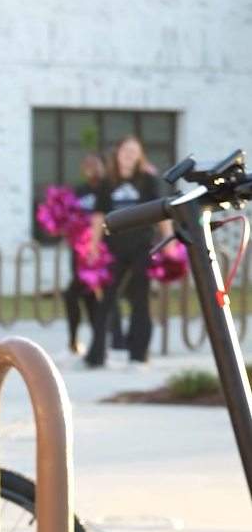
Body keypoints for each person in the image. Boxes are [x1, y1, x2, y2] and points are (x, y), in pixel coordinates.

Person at [89, 135, 167, 369]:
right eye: (125, 150)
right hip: (114, 249)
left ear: (139, 155)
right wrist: (93, 245)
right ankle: (96, 355)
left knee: (139, 300)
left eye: (134, 151)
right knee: (105, 303)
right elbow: (98, 216)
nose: (129, 154)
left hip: (142, 247)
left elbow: (163, 211)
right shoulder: (107, 182)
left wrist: (169, 242)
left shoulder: (148, 180)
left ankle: (138, 355)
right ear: (117, 153)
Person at [63, 152, 107, 353]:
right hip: (80, 253)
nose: (90, 167)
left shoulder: (107, 189)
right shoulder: (78, 191)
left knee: (98, 300)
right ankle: (74, 341)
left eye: (94, 163)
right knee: (74, 297)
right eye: (86, 164)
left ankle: (101, 344)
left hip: (101, 253)